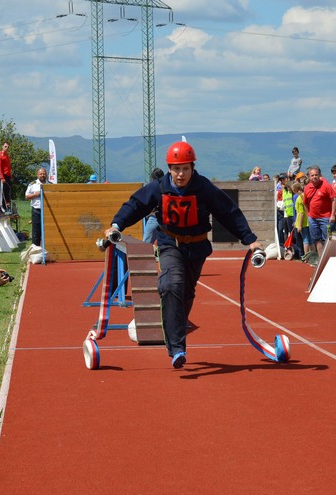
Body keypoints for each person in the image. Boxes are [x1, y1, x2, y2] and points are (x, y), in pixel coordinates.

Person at [104, 140, 262, 369]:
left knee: (186, 294)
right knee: (169, 285)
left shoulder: (204, 188)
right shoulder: (158, 187)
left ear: (192, 168)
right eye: (176, 169)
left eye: (185, 169)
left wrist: (250, 239)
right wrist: (117, 225)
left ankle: (175, 331)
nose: (180, 174)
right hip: (170, 244)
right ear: (169, 168)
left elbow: (228, 213)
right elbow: (136, 205)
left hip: (196, 249)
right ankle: (177, 348)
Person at [303, 165, 336, 257]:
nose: (314, 177)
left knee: (328, 239)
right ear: (309, 177)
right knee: (316, 239)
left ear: (319, 175)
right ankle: (321, 259)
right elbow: (305, 203)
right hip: (313, 219)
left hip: (326, 218)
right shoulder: (307, 188)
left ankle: (329, 259)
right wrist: (308, 215)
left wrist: (333, 215)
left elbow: (334, 199)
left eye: (316, 175)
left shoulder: (326, 186)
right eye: (312, 175)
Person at [25, 167, 48, 247]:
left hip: (48, 211)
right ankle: (35, 251)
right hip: (37, 211)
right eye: (40, 174)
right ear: (37, 175)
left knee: (47, 231)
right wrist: (36, 194)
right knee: (36, 232)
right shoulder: (33, 184)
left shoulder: (50, 184)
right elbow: (27, 196)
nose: (42, 175)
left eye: (44, 174)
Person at [0, 141, 12, 214]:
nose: (7, 148)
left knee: (7, 192)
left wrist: (10, 176)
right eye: (5, 146)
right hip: (2, 176)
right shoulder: (0, 155)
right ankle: (0, 208)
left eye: (8, 147)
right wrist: (2, 177)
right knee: (1, 193)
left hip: (8, 176)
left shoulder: (7, 155)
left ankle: (7, 208)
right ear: (2, 146)